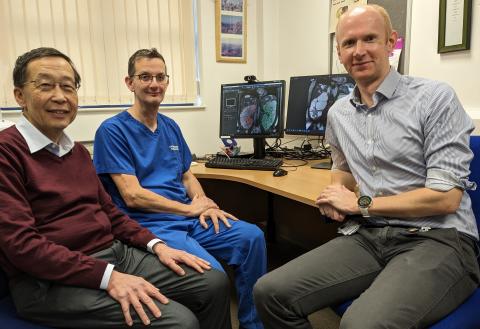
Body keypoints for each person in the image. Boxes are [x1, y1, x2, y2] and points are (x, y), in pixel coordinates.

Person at [253, 4, 479, 329]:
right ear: (339, 53)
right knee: (269, 292)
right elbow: (343, 169)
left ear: (391, 43)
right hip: (371, 235)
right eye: (349, 43)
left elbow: (445, 198)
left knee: (360, 324)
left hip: (439, 237)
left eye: (370, 39)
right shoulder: (338, 113)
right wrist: (336, 195)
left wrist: (360, 203)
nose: (359, 51)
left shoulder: (434, 98)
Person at [0, 47, 232, 329]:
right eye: (46, 85)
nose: (60, 97)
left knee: (213, 282)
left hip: (112, 252)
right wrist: (108, 276)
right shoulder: (7, 152)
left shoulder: (76, 152)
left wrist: (157, 245)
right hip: (47, 281)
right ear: (20, 96)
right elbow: (22, 246)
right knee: (180, 321)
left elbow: (110, 211)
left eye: (68, 87)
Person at [93, 48, 267, 329]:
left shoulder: (170, 126)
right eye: (145, 76)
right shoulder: (112, 130)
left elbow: (187, 175)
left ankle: (252, 324)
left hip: (188, 217)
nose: (154, 84)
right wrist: (189, 208)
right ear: (130, 83)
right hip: (152, 225)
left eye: (160, 77)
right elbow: (132, 196)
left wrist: (203, 200)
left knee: (251, 237)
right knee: (212, 273)